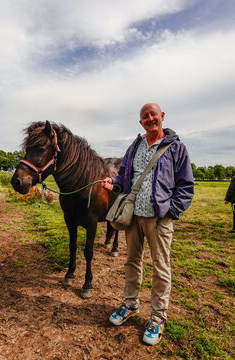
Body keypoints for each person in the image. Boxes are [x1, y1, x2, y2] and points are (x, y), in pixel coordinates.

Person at [102, 103, 194, 346]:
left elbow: (186, 186)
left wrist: (170, 211)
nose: (150, 118)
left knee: (160, 266)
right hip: (132, 217)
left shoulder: (176, 148)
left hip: (158, 218)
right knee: (132, 262)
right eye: (145, 116)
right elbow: (125, 177)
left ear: (162, 117)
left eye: (154, 114)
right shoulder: (135, 146)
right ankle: (130, 304)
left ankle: (157, 317)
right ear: (141, 122)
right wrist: (114, 183)